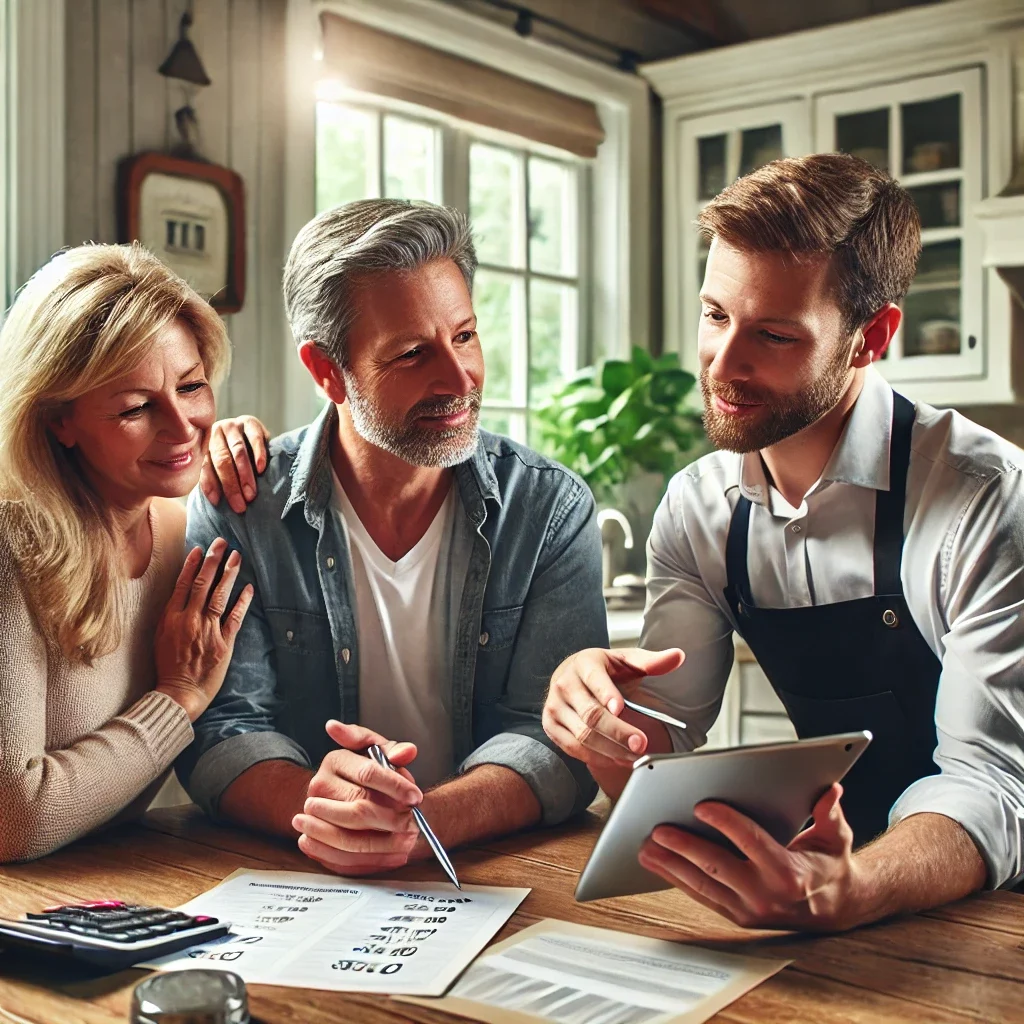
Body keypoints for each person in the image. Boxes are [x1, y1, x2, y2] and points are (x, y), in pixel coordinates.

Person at [543, 153, 1024, 932]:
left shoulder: (985, 500)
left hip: (993, 905)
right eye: (714, 315)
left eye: (772, 334)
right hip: (828, 892)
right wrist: (597, 716)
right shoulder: (700, 509)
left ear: (871, 338)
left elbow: (996, 786)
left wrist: (855, 887)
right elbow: (655, 750)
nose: (723, 365)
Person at [176, 198, 607, 876]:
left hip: (503, 872)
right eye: (413, 354)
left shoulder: (550, 508)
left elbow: (555, 740)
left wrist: (418, 824)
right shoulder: (241, 507)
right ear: (325, 371)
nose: (459, 377)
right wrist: (325, 812)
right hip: (301, 877)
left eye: (464, 336)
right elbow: (223, 729)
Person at [0, 243, 254, 862]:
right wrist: (180, 697)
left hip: (107, 880)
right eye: (137, 407)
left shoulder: (188, 529)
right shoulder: (12, 546)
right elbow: (14, 820)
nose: (182, 426)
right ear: (59, 420)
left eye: (192, 386)